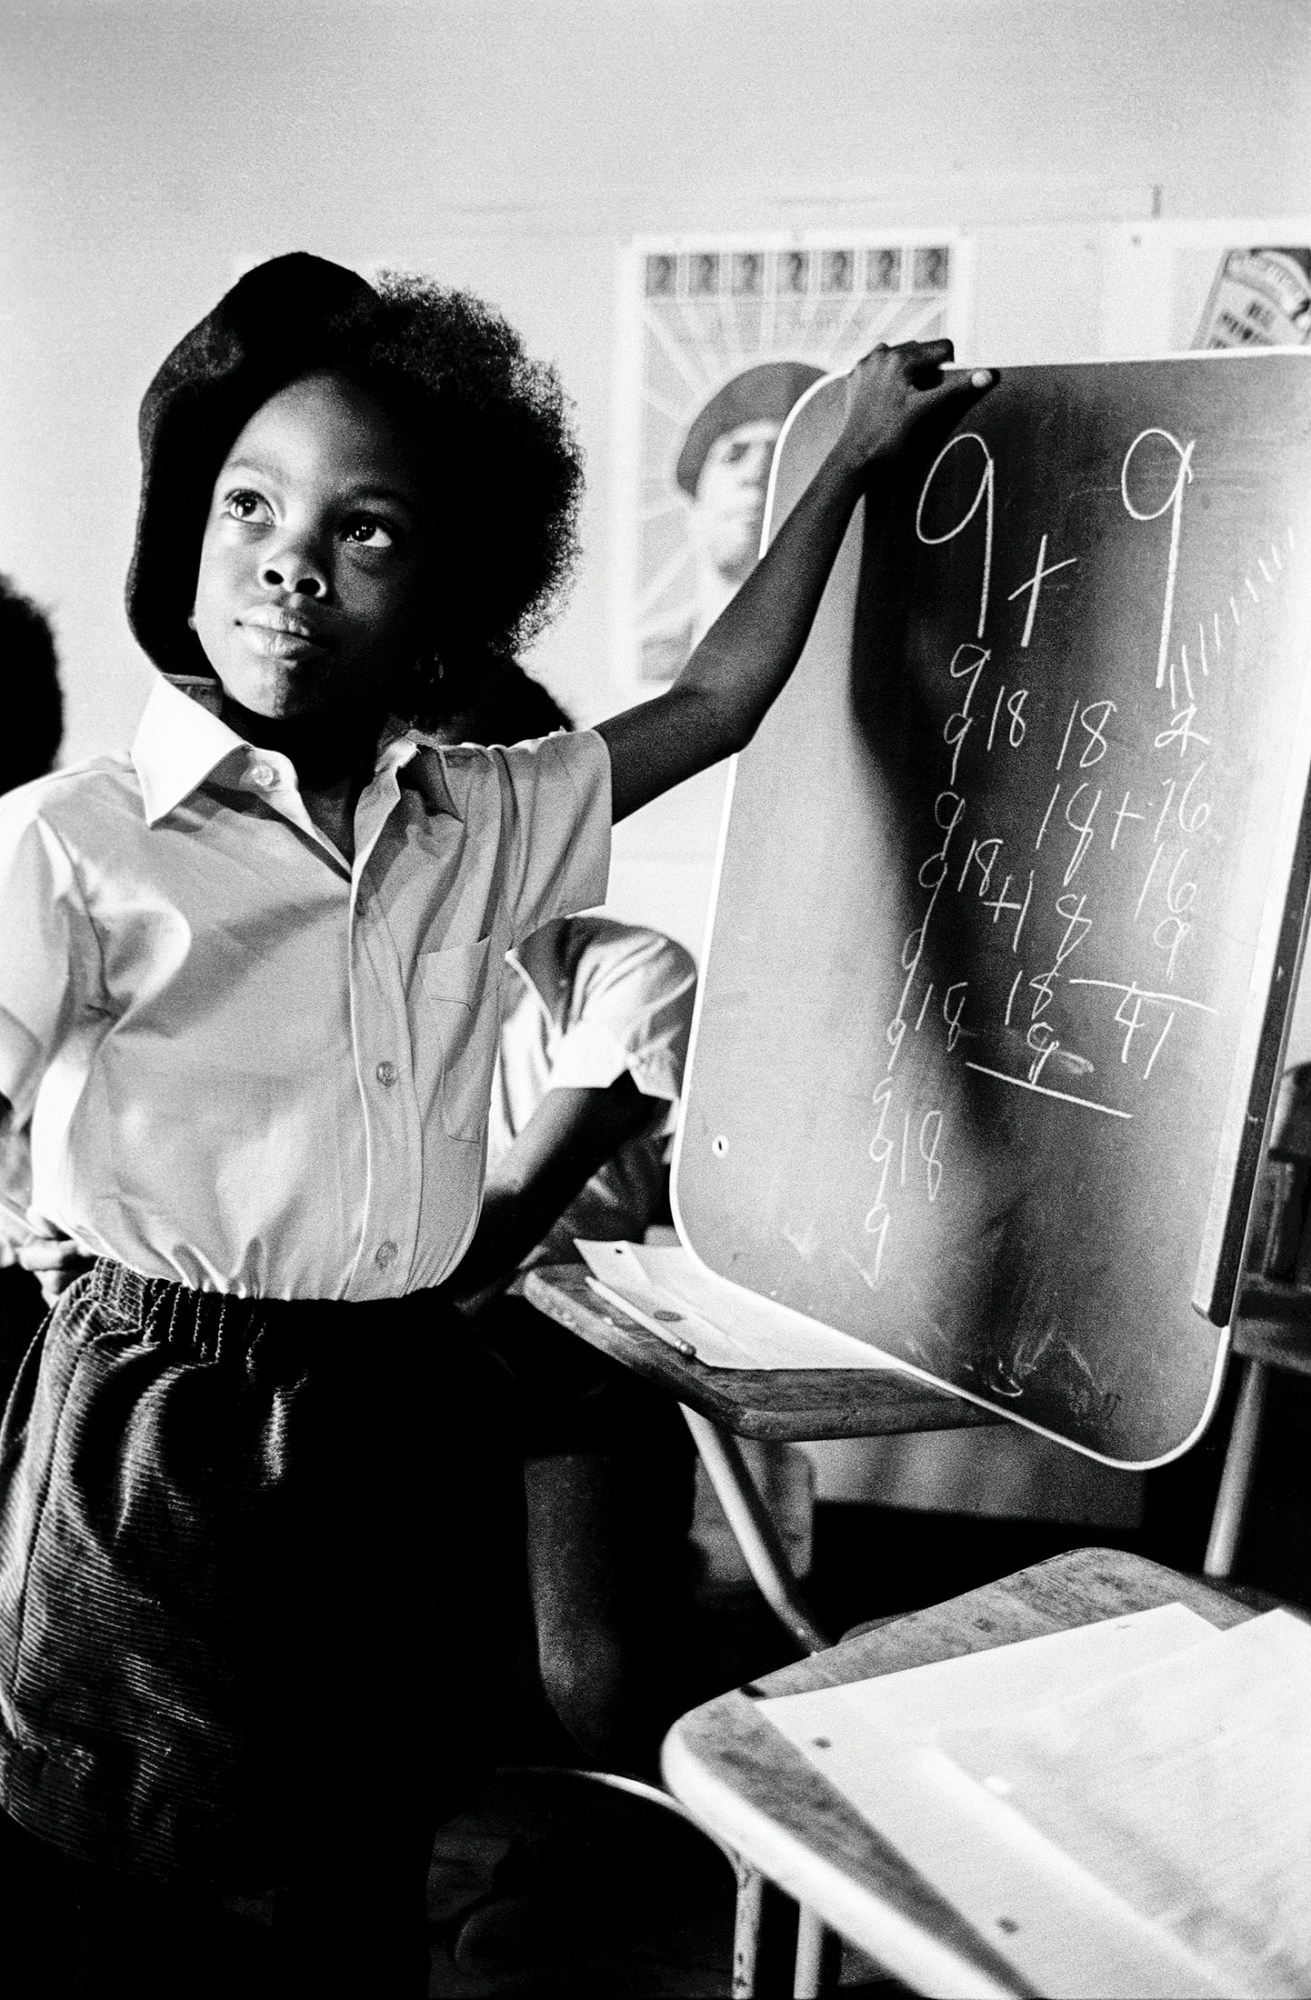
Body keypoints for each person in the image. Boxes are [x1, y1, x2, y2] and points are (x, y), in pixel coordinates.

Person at [0, 249, 988, 1996]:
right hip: (163, 1429)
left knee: (364, 1869)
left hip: (388, 1406)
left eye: (366, 528)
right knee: (156, 1883)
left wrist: (840, 462)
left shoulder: (476, 818)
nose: (294, 561)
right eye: (249, 506)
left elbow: (717, 702)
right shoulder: (73, 844)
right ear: (185, 537)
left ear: (449, 588)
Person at [432, 662, 700, 1776]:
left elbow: (504, 1221)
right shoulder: (352, 996)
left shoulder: (633, 974)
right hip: (414, 1357)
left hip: (574, 1360)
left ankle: (662, 1870)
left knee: (594, 1680)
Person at [639, 359, 824, 682]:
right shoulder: (646, 665)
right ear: (694, 507)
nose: (757, 474)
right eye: (734, 455)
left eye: (784, 457)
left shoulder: (848, 666)